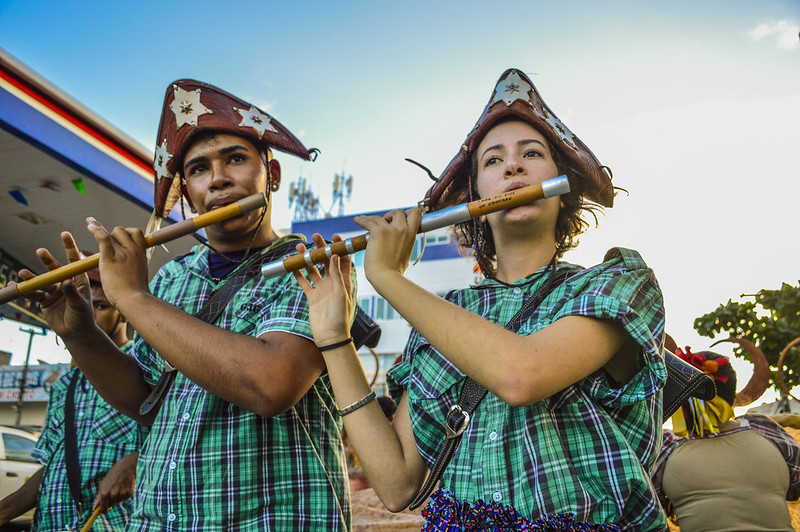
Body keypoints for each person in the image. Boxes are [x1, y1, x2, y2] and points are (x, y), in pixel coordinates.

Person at [294, 68, 668, 530]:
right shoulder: (445, 318)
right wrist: (334, 337)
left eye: (532, 154)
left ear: (562, 183)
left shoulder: (616, 284)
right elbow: (396, 485)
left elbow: (522, 375)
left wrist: (387, 278)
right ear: (474, 195)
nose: (512, 167)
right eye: (493, 161)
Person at [17, 80, 353, 530]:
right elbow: (143, 400)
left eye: (235, 159)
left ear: (270, 177)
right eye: (198, 169)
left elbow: (271, 385)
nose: (218, 178)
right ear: (186, 195)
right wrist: (80, 333)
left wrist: (130, 296)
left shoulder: (310, 264)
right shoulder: (172, 277)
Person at [0, 269, 143, 531]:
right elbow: (54, 465)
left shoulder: (145, 367)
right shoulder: (65, 385)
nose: (86, 316)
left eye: (100, 306)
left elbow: (179, 440)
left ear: (123, 312)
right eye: (76, 306)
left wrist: (135, 462)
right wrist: (4, 511)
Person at [652, 346, 800, 531]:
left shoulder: (665, 445)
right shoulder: (763, 428)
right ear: (731, 394)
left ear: (681, 394)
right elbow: (795, 488)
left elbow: (648, 511)